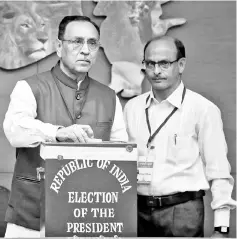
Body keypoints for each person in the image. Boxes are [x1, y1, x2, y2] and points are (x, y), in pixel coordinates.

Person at [3, 15, 128, 237]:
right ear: (59, 47)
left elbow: (121, 151)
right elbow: (15, 129)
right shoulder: (29, 87)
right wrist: (56, 133)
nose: (85, 50)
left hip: (89, 216)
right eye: (77, 41)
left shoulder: (109, 97)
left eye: (92, 43)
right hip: (33, 215)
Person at [124, 35, 236, 237]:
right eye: (150, 63)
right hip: (136, 211)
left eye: (164, 63)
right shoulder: (132, 108)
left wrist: (222, 227)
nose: (156, 71)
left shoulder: (202, 109)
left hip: (183, 211)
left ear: (181, 65)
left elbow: (218, 170)